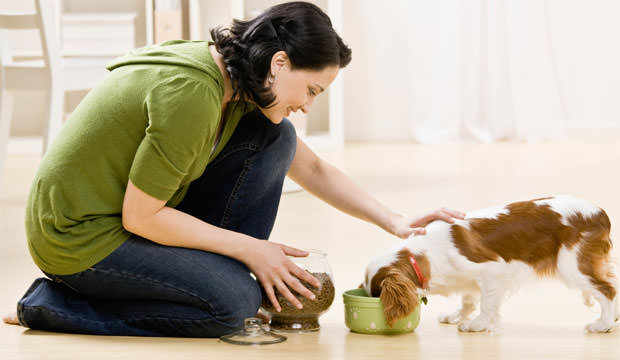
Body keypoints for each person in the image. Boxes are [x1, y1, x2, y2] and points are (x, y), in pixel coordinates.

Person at [3, 1, 464, 337]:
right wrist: (251, 249)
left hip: (131, 217)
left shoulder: (240, 81)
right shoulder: (192, 93)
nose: (306, 105)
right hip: (79, 238)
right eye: (312, 90)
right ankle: (50, 305)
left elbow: (314, 169)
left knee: (277, 136)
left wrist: (395, 222)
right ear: (280, 63)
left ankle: (219, 275)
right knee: (231, 308)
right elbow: (140, 217)